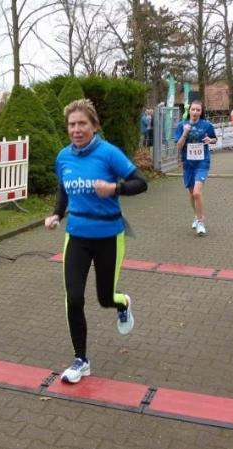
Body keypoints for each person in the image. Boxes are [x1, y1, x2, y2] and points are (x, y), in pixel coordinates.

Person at [44, 98, 148, 384]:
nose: (76, 129)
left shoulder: (109, 153)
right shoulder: (63, 157)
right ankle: (81, 360)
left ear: (94, 126)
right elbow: (63, 189)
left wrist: (114, 188)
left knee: (105, 298)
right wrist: (56, 214)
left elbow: (141, 183)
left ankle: (122, 303)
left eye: (82, 124)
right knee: (74, 298)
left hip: (109, 236)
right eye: (71, 124)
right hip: (76, 236)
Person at [174, 100, 217, 235]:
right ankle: (196, 215)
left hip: (202, 162)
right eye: (193, 109)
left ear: (201, 112)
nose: (195, 112)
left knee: (197, 193)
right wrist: (185, 133)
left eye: (198, 110)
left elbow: (214, 139)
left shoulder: (206, 125)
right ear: (189, 110)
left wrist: (210, 140)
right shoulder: (182, 125)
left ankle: (200, 221)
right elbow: (178, 146)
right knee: (192, 194)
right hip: (188, 164)